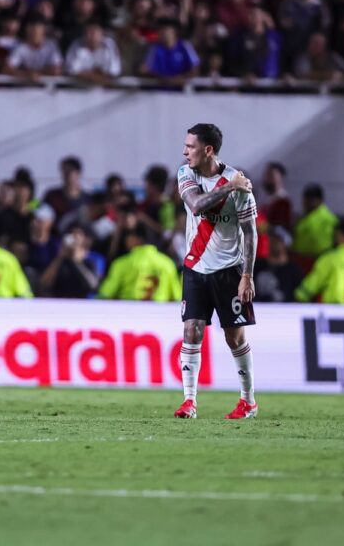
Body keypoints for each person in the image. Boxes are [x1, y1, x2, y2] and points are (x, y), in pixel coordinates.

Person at [174, 123, 258, 420]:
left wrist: (247, 276)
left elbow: (250, 232)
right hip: (196, 267)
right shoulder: (187, 174)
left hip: (229, 270)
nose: (185, 152)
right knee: (191, 329)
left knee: (235, 337)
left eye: (190, 147)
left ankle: (248, 401)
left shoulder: (241, 188)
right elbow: (196, 205)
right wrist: (230, 186)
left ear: (208, 150)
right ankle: (189, 401)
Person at [98, 225, 181, 301]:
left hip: (129, 310)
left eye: (129, 236)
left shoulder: (121, 263)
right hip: (159, 311)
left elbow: (105, 294)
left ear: (138, 239)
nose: (126, 240)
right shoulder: (167, 263)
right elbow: (177, 297)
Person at [291, 183, 337, 271]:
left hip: (319, 260)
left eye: (311, 199)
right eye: (306, 199)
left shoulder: (329, 219)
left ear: (320, 200)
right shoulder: (302, 217)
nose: (307, 202)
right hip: (300, 260)